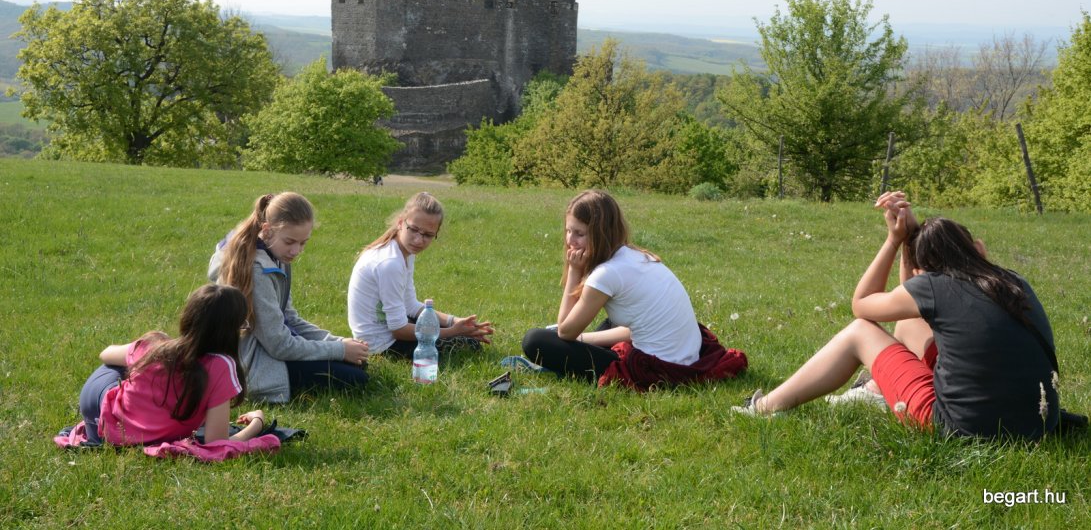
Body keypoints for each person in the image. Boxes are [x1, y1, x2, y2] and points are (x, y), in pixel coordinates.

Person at [735, 191, 1061, 440]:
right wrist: (911, 241)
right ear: (979, 248)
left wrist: (895, 240)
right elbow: (909, 302)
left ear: (923, 272)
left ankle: (762, 407)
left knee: (860, 331)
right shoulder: (1013, 281)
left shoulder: (935, 286)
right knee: (908, 320)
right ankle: (878, 391)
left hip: (962, 428)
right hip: (1039, 421)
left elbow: (862, 305)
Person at [522, 190, 747, 390]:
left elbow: (565, 331)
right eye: (568, 231)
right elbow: (632, 328)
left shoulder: (607, 273)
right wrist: (581, 339)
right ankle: (576, 352)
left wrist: (574, 271)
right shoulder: (635, 256)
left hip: (656, 368)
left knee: (534, 340)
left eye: (579, 233)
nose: (571, 240)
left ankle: (569, 358)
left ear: (601, 234)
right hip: (685, 355)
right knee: (609, 323)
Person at [209, 192, 370, 403]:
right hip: (254, 362)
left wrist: (339, 342)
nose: (296, 251)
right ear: (267, 230)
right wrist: (339, 350)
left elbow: (290, 318)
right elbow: (278, 344)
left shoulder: (277, 254)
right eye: (290, 242)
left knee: (358, 363)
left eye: (303, 243)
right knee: (356, 378)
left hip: (272, 348)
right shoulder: (257, 270)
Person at [76, 283, 265, 446]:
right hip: (111, 413)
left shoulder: (156, 347)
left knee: (132, 364)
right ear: (231, 331)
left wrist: (155, 347)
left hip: (99, 409)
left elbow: (106, 354)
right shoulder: (221, 366)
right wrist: (257, 423)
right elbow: (216, 443)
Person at [347, 192, 493, 358]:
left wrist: (455, 321)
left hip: (387, 334)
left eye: (428, 235)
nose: (418, 240)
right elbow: (399, 330)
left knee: (465, 338)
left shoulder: (404, 252)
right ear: (401, 223)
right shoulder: (390, 263)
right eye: (414, 230)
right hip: (381, 345)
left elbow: (410, 306)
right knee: (470, 345)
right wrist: (453, 331)